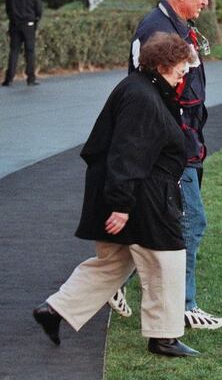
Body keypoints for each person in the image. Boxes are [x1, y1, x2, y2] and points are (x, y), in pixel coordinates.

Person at [32, 33, 200, 357]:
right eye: (182, 66)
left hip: (131, 193)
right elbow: (127, 153)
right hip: (141, 198)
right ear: (164, 64)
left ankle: (54, 311)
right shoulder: (142, 95)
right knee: (166, 260)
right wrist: (121, 205)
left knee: (113, 264)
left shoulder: (142, 88)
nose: (186, 71)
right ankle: (163, 338)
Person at [111, 0, 222, 330]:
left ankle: (112, 282)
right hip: (171, 146)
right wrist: (171, 145)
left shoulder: (175, 26)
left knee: (158, 221)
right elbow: (153, 97)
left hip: (183, 141)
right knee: (191, 221)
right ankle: (183, 305)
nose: (206, 1)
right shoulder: (157, 31)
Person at [3, 0, 43, 86]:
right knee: (30, 51)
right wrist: (35, 20)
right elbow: (39, 10)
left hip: (15, 24)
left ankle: (9, 78)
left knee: (14, 51)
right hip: (28, 25)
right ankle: (30, 78)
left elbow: (8, 9)